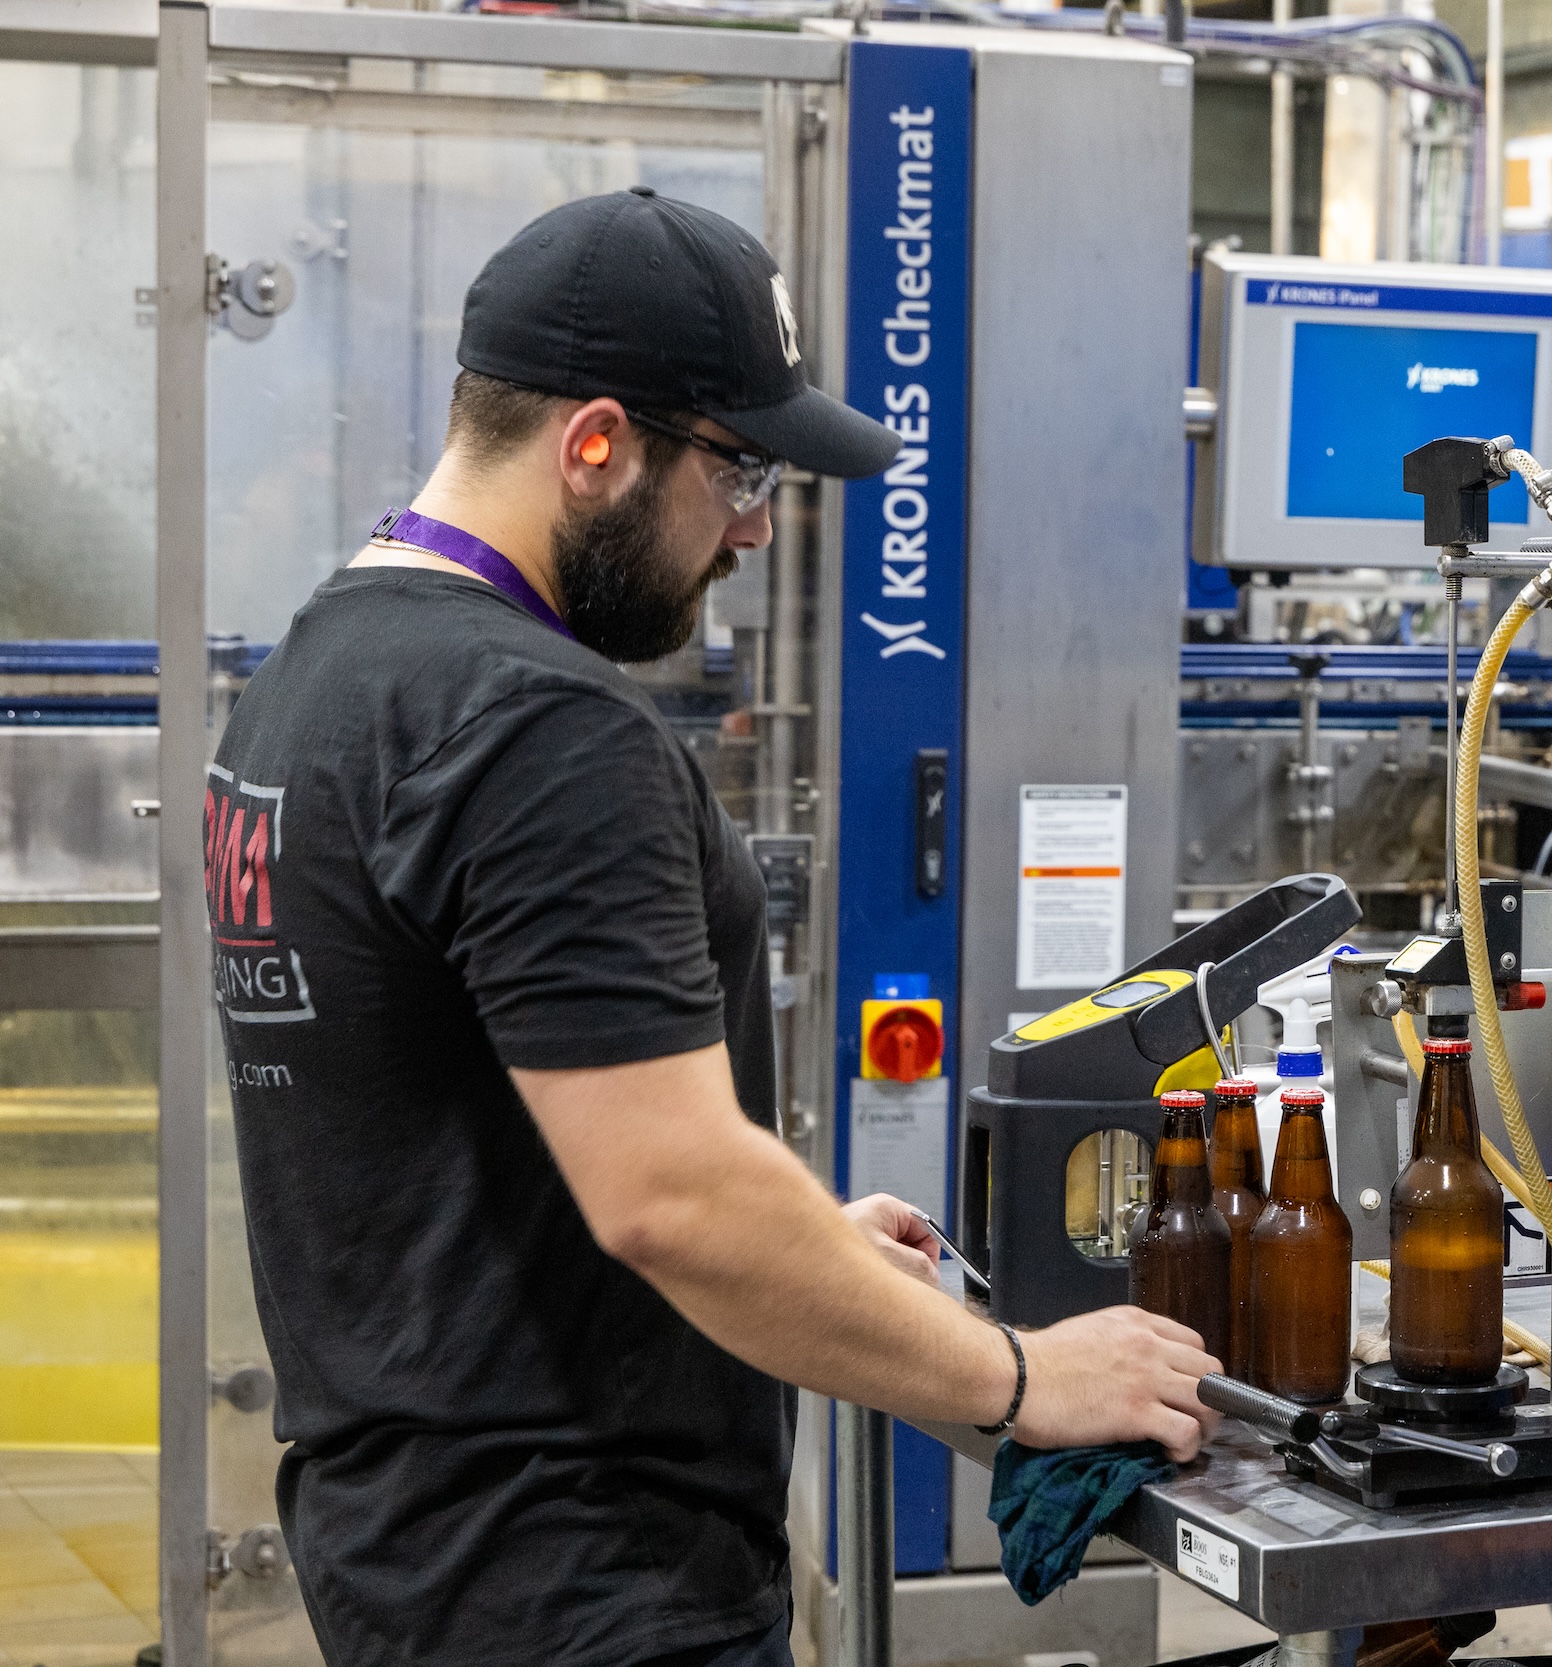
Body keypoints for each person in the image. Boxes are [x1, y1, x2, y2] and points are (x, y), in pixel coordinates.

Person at [205, 187, 1218, 1667]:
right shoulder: (541, 728)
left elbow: (464, 1145)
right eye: (738, 470)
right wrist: (1020, 1377)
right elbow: (670, 1200)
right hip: (593, 1583)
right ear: (597, 446)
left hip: (410, 1555)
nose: (752, 530)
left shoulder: (316, 681)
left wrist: (794, 1245)